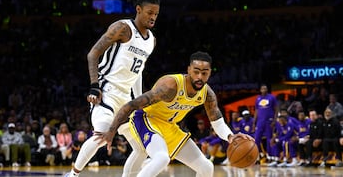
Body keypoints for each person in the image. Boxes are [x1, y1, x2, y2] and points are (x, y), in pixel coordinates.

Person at [94, 51, 253, 177]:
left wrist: (231, 137)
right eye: (196, 71)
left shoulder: (207, 93)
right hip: (146, 119)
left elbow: (217, 122)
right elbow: (132, 105)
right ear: (189, 70)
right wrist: (112, 130)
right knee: (162, 158)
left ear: (210, 73)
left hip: (169, 126)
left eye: (204, 73)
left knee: (206, 167)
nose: (199, 77)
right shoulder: (170, 85)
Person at [65, 0, 160, 177]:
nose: (153, 17)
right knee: (101, 134)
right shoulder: (122, 28)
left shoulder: (151, 40)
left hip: (126, 99)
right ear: (138, 9)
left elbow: (138, 72)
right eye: (150, 12)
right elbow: (93, 54)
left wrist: (139, 100)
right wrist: (94, 86)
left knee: (142, 148)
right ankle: (73, 175)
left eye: (156, 14)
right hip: (107, 92)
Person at [253, 84, 278, 163]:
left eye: (265, 88)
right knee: (256, 139)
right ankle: (257, 156)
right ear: (260, 90)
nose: (264, 90)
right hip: (260, 121)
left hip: (269, 121)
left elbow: (276, 109)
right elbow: (256, 111)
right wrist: (254, 122)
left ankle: (269, 156)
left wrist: (274, 120)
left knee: (269, 138)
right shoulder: (258, 98)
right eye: (262, 88)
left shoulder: (272, 97)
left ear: (267, 89)